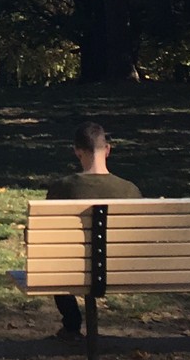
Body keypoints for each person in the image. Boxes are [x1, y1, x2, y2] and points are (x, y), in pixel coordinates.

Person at [44, 119, 141, 338]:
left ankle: (71, 323)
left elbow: (47, 238)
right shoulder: (129, 190)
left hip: (74, 269)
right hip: (123, 268)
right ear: (107, 149)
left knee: (53, 261)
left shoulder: (63, 187)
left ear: (78, 151)